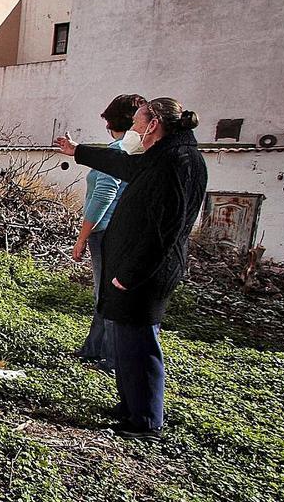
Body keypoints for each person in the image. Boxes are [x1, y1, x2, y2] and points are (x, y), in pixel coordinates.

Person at [55, 98, 208, 440]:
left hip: (144, 274)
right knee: (124, 343)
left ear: (154, 124)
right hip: (130, 268)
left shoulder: (178, 162)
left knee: (139, 345)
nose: (133, 130)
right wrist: (78, 151)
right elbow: (122, 166)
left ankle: (145, 420)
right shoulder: (162, 156)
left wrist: (131, 273)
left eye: (138, 123)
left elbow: (165, 229)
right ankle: (129, 407)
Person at [72, 94, 147, 371]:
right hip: (120, 231)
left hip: (106, 232)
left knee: (107, 296)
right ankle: (94, 349)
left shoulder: (120, 151)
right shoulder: (136, 151)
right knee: (106, 294)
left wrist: (82, 237)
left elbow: (103, 195)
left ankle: (110, 357)